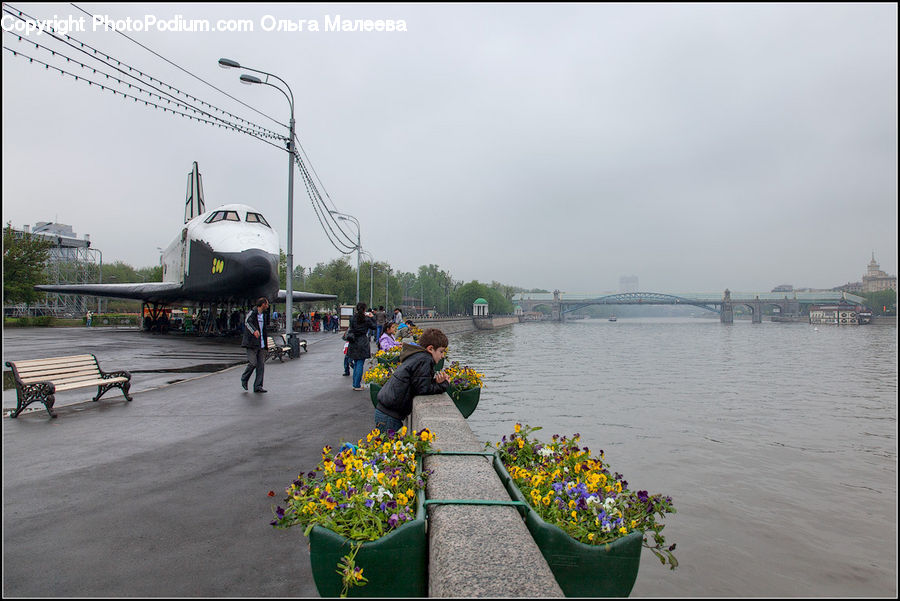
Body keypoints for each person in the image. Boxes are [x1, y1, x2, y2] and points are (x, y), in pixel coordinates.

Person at [374, 328, 450, 433]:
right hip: (389, 416)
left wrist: (435, 382)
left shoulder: (417, 356)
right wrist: (444, 385)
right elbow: (423, 389)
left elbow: (419, 382)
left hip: (387, 412)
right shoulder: (425, 360)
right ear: (430, 349)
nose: (442, 356)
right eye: (441, 351)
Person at [240, 297, 269, 393]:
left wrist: (266, 346)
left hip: (261, 344)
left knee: (261, 365)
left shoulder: (264, 315)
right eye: (267, 304)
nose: (268, 306)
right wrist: (254, 331)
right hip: (252, 343)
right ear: (263, 304)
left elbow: (264, 330)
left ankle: (258, 386)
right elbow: (247, 322)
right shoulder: (252, 313)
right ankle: (244, 378)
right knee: (253, 363)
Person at [346, 302, 377, 391]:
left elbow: (351, 328)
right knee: (360, 363)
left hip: (353, 341)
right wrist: (372, 318)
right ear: (364, 310)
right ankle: (357, 385)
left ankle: (355, 383)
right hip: (362, 341)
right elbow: (374, 327)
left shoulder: (352, 319)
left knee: (356, 363)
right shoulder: (366, 319)